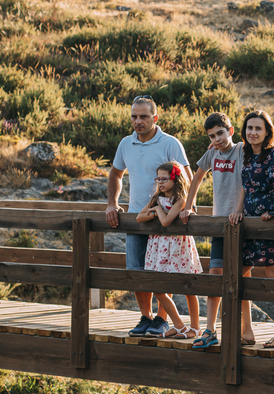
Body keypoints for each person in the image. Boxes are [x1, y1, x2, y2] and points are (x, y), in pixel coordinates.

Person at [106, 95, 194, 338]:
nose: (138, 121)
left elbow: (187, 178)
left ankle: (162, 319)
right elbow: (115, 174)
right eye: (134, 116)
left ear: (155, 118)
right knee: (137, 272)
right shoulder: (125, 143)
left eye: (143, 116)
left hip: (166, 220)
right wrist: (112, 204)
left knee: (163, 272)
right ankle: (146, 317)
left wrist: (185, 208)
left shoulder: (170, 143)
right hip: (138, 216)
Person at [179, 113, 249, 350]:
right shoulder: (211, 154)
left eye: (220, 133)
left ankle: (245, 330)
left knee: (242, 277)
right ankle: (210, 329)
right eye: (212, 136)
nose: (217, 139)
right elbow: (197, 178)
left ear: (231, 131)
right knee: (215, 274)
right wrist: (188, 206)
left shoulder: (241, 150)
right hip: (220, 224)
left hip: (242, 221)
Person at [230, 110, 274, 348]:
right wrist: (238, 210)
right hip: (249, 222)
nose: (253, 132)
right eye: (249, 128)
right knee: (238, 273)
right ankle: (246, 331)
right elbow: (245, 187)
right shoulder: (247, 154)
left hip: (272, 222)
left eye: (258, 128)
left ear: (267, 132)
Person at [135, 162, 202, 338]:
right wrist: (155, 211)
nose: (160, 182)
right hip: (159, 248)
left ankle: (195, 328)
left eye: (164, 179)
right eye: (158, 179)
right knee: (158, 288)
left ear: (175, 179)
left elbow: (166, 222)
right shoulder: (156, 197)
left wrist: (157, 210)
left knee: (188, 287)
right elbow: (139, 217)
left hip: (178, 247)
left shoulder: (181, 199)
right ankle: (179, 325)